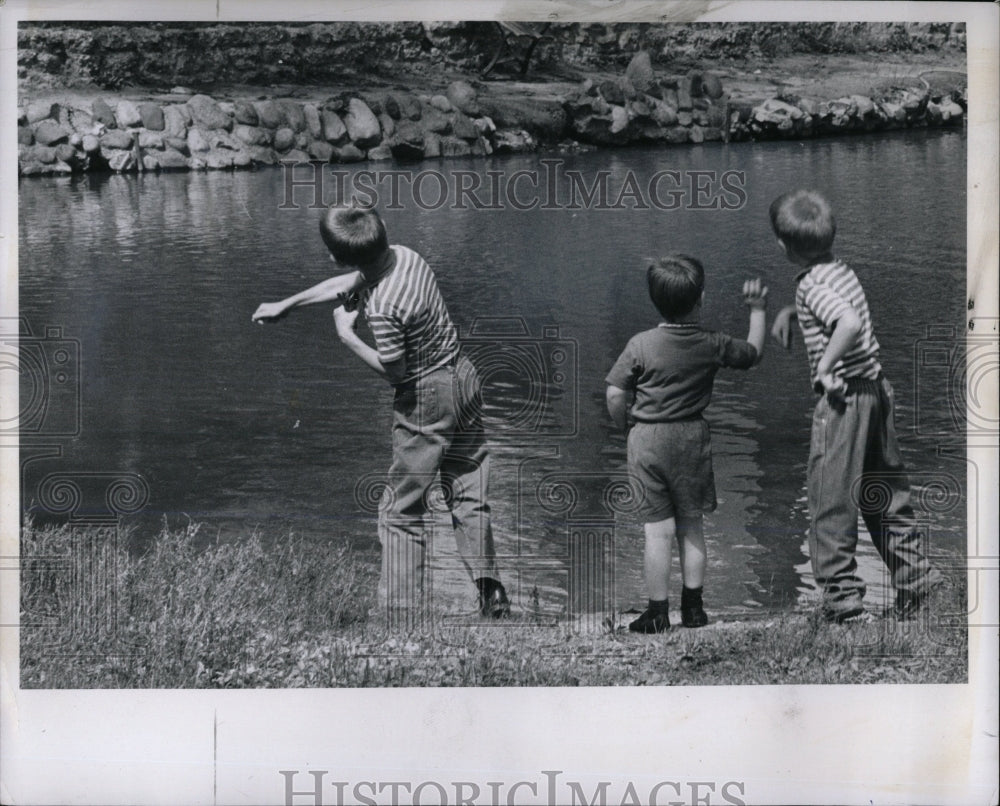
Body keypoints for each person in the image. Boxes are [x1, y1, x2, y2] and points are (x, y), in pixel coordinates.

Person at [255, 204, 509, 625]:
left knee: (400, 510)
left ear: (336, 256)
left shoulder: (385, 306)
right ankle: (492, 593)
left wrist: (346, 335)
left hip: (427, 396)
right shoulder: (407, 256)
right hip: (463, 377)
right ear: (384, 232)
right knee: (467, 490)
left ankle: (399, 615)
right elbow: (351, 281)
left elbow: (395, 372)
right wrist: (288, 304)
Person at [768, 189, 941, 622]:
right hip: (877, 390)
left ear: (783, 248)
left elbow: (846, 321)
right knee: (886, 494)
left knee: (831, 500)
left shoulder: (811, 283)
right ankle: (919, 585)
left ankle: (842, 603)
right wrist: (794, 313)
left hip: (844, 400)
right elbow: (836, 306)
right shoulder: (839, 270)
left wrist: (825, 367)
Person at [606, 254, 767, 633]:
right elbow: (753, 354)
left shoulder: (640, 344)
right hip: (691, 439)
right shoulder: (712, 343)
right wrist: (757, 309)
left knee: (657, 532)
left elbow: (614, 392)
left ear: (654, 301)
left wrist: (625, 424)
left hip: (648, 441)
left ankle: (658, 613)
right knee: (692, 525)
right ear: (702, 300)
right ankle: (694, 610)